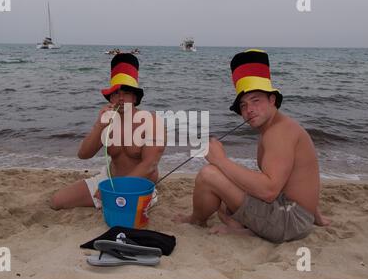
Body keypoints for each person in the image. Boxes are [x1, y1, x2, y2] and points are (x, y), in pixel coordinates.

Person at [174, 49, 330, 243]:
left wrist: (220, 160)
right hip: (296, 214)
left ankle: (195, 221)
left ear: (272, 100)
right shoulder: (276, 126)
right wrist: (316, 216)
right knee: (223, 202)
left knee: (209, 175)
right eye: (243, 105)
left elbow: (269, 190)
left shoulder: (278, 132)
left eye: (256, 101)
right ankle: (243, 229)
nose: (249, 110)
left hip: (290, 221)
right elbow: (299, 179)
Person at [50, 53, 165, 210]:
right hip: (110, 179)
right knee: (58, 201)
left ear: (135, 97)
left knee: (122, 217)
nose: (121, 98)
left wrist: (114, 190)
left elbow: (149, 165)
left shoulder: (151, 121)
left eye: (126, 92)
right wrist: (99, 125)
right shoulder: (107, 121)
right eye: (116, 93)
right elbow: (83, 155)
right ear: (110, 98)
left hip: (138, 186)